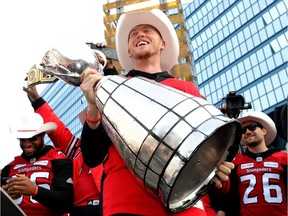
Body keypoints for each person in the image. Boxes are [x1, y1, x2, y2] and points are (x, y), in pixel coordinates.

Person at [79, 9, 234, 216]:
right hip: (129, 201)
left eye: (147, 31)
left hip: (184, 200)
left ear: (162, 44)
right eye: (133, 34)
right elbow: (92, 157)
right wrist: (92, 109)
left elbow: (211, 151)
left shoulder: (187, 89)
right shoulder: (111, 88)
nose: (140, 35)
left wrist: (219, 175)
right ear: (128, 51)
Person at [22, 52, 118, 215]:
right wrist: (36, 99)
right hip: (80, 210)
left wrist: (109, 70)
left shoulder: (119, 146)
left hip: (112, 207)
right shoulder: (77, 150)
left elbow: (118, 105)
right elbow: (57, 129)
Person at [1, 113, 74, 216]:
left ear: (43, 135)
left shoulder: (58, 159)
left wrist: (35, 191)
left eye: (32, 138)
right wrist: (3, 196)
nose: (27, 144)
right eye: (22, 139)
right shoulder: (9, 167)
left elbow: (67, 202)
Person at [218, 111, 287, 216]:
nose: (247, 132)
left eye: (252, 127)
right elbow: (228, 197)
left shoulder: (283, 158)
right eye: (243, 130)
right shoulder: (234, 163)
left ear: (264, 130)